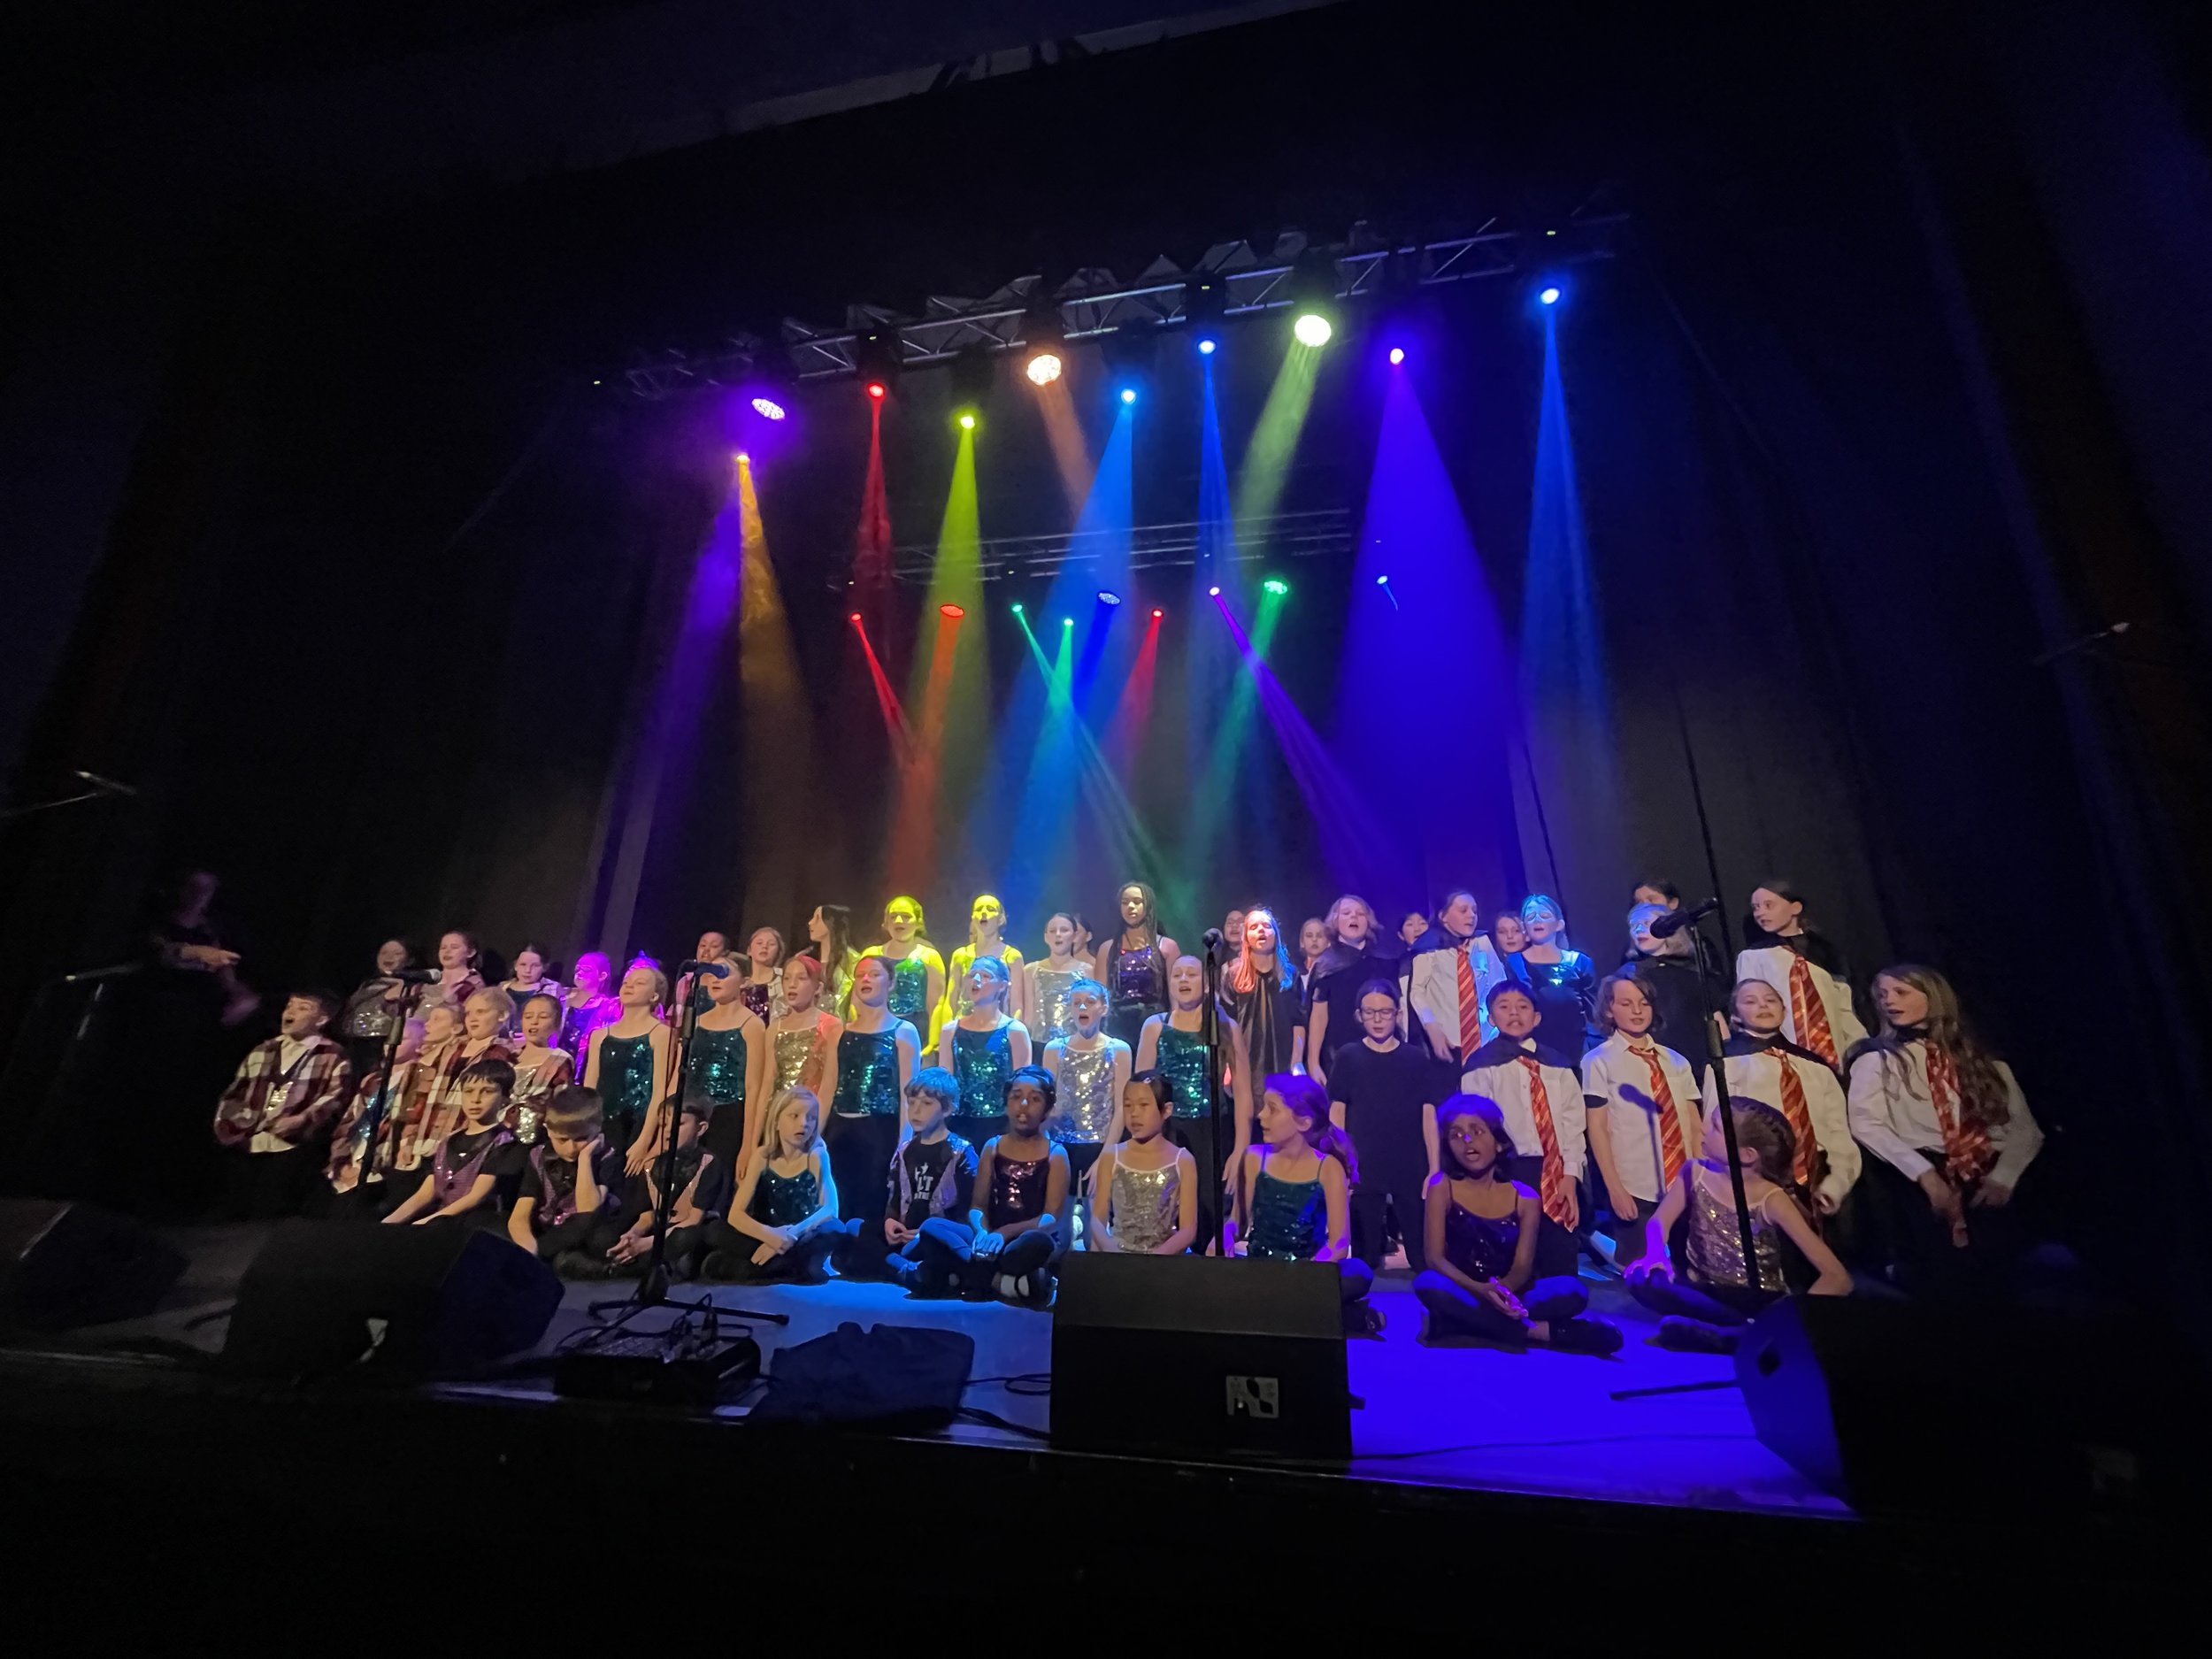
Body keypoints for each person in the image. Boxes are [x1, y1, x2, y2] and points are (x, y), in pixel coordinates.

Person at [1847, 964, 2041, 1296]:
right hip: (1922, 1173)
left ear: (1933, 997)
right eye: (1882, 995)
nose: (1888, 1001)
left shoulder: (1984, 1063)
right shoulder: (1877, 1062)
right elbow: (1866, 1122)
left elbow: (2025, 1129)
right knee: (1942, 1276)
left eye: (1900, 992)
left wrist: (2004, 1177)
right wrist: (1925, 1174)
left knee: (2001, 1276)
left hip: (1987, 1173)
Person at [1629, 1100, 1853, 1350]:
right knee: (1641, 1278)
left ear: (1747, 1155)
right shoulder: (1694, 1172)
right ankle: (1739, 1332)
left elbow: (1837, 1277)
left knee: (1768, 1313)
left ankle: (1731, 1333)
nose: (1703, 1129)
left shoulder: (1772, 1199)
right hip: (1703, 1288)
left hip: (1754, 1297)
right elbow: (1659, 1222)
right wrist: (1656, 1254)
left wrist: (1795, 1317)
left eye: (1715, 1127)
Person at [1413, 1097, 1623, 1353]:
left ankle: (1458, 1323)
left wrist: (1503, 1292)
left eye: (1477, 1131)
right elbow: (1435, 1259)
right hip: (1463, 1288)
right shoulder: (1441, 1187)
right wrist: (1482, 1290)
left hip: (1512, 1292)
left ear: (1499, 1142)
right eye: (1456, 1135)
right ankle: (1537, 1331)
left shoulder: (1525, 1197)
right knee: (1428, 1284)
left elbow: (1522, 1267)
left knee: (1573, 1290)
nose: (1467, 1140)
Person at [1459, 982, 1603, 1279]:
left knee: (1558, 1251)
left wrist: (1571, 1174)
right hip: (1508, 1169)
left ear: (1536, 1018)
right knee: (1513, 1251)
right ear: (1491, 1017)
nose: (1514, 1013)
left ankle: (1559, 1302)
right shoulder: (1481, 1067)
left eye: (1523, 1007)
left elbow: (1573, 1124)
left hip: (1555, 1170)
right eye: (1504, 1007)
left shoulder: (1558, 1065)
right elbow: (1477, 1126)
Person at [1225, 1075, 1378, 1335]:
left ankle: (1289, 1309)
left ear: (1304, 1122)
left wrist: (1305, 1274)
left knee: (1358, 1273)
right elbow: (1236, 1222)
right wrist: (1226, 1235)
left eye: (1272, 1109)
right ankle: (1342, 1317)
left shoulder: (1328, 1168)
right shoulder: (1253, 1158)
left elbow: (1339, 1243)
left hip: (1308, 1271)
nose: (1261, 1115)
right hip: (1259, 1269)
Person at [910, 1066, 1070, 1307]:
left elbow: (1050, 1217)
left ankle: (969, 1276)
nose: (1023, 1105)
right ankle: (1001, 1282)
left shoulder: (1055, 1153)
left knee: (1038, 1243)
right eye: (1016, 1096)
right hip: (987, 1238)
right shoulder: (992, 1146)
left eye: (1035, 1099)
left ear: (1047, 1108)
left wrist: (1004, 1234)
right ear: (1006, 1103)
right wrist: (983, 1233)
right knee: (932, 1227)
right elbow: (977, 1207)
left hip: (1021, 1240)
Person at [1704, 979, 1858, 1217]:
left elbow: (1838, 1133)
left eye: (1770, 1000)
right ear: (1735, 1016)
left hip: (1820, 1180)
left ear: (1785, 1010)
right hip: (1759, 1181)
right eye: (1750, 1001)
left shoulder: (1813, 1065)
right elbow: (1715, 1132)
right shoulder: (1726, 1065)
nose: (1763, 1006)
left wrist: (1836, 1184)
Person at [1582, 972, 1701, 1263]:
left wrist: (1701, 1178)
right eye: (1626, 1003)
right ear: (1609, 1009)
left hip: (1684, 1181)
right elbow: (1597, 1128)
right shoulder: (1599, 1061)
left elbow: (1694, 1125)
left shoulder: (1676, 1061)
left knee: (1689, 1265)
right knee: (1639, 1266)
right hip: (1635, 1184)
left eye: (1644, 1003)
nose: (1637, 1011)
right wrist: (1615, 1189)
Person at [1327, 978, 1440, 1271]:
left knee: (1421, 1254)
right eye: (1370, 1012)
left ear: (1398, 1014)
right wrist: (1340, 1161)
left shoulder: (1415, 1058)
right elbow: (1337, 1112)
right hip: (1363, 1163)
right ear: (1359, 1015)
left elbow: (1428, 1115)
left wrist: (1434, 1167)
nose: (1377, 1019)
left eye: (1385, 1012)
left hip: (1409, 1163)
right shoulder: (1348, 1056)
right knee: (1364, 1256)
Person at [826, 1066, 979, 1281]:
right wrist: (891, 1222)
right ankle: (905, 1268)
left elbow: (970, 1208)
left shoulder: (961, 1151)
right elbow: (895, 1198)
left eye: (926, 1104)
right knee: (854, 1226)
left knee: (932, 1230)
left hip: (938, 1233)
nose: (916, 1110)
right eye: (911, 1103)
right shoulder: (906, 1150)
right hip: (906, 1237)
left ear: (946, 1109)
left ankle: (893, 1266)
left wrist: (922, 1232)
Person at [211, 989, 351, 1219]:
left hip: (292, 1145)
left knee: (275, 1209)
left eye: (303, 1008)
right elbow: (236, 1093)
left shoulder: (331, 1054)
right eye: (289, 1006)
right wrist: (236, 1126)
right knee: (240, 1209)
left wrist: (303, 1118)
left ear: (322, 1019)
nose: (291, 1012)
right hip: (252, 1140)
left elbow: (335, 1097)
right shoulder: (263, 1050)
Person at [1135, 953, 1251, 1211]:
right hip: (1169, 1132)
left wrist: (1240, 1149)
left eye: (1191, 974)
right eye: (1177, 975)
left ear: (1207, 984)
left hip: (1212, 1134)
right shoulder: (1155, 1026)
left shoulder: (1225, 1027)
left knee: (1208, 1207)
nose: (1183, 979)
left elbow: (1243, 1093)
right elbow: (1141, 1092)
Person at [700, 1087, 840, 1281]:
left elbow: (831, 1209)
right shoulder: (763, 1156)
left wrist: (791, 1236)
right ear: (776, 1122)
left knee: (835, 1229)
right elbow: (736, 1214)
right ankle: (787, 1268)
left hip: (801, 1234)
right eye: (794, 1116)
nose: (803, 1123)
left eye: (811, 1118)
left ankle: (758, 1268)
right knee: (714, 1231)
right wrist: (771, 1237)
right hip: (766, 1232)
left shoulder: (816, 1155)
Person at [825, 956, 921, 1224]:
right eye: (860, 975)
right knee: (839, 1206)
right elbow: (828, 1088)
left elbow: (909, 1096)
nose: (865, 979)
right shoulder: (840, 1032)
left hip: (880, 1132)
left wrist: (904, 1147)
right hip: (839, 1130)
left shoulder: (903, 1031)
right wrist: (815, 1138)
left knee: (872, 1209)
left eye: (874, 974)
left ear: (891, 983)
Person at [1736, 880, 1866, 1068]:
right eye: (1756, 908)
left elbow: (1843, 1006)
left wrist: (1861, 1049)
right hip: (1785, 1055)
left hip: (1834, 1053)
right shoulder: (1754, 957)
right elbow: (1749, 1009)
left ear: (1795, 907)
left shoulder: (1825, 952)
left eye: (1768, 905)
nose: (1760, 913)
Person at [382, 1056, 524, 1228]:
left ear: (505, 1099)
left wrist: (425, 1223)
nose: (475, 1099)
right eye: (469, 1091)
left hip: (474, 1225)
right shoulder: (449, 1141)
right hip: (441, 1221)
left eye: (487, 1091)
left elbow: (476, 1197)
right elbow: (426, 1194)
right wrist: (388, 1223)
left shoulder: (504, 1142)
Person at [1041, 976, 1130, 1239]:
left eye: (1089, 1002)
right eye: (1076, 1002)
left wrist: (1105, 1156)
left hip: (1100, 1145)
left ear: (1104, 1008)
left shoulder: (1118, 1050)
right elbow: (1048, 1105)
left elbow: (1121, 1106)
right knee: (1059, 1228)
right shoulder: (1055, 1049)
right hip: (1062, 1147)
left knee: (1096, 1227)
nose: (1082, 1007)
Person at [508, 1086, 625, 1273]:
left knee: (599, 1235)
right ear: (548, 1130)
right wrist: (528, 1249)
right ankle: (551, 1259)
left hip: (587, 1231)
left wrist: (585, 1158)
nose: (571, 1149)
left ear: (598, 1129)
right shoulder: (538, 1156)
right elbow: (520, 1215)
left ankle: (550, 1260)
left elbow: (587, 1209)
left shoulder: (607, 1157)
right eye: (562, 1140)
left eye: (581, 1139)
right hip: (547, 1232)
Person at [581, 963, 675, 1173]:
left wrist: (645, 1140)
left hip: (638, 1124)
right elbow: (590, 1088)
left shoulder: (660, 1034)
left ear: (654, 996)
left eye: (639, 983)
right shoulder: (600, 1035)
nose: (629, 986)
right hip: (603, 1125)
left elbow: (659, 1090)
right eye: (626, 982)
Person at [1090, 1071, 1197, 1255]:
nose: (1134, 1114)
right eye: (1128, 1105)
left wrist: (1153, 1260)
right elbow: (1097, 1219)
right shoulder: (1112, 1156)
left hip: (1164, 1260)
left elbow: (1188, 1230)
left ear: (1166, 1110)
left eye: (1143, 1105)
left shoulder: (1182, 1161)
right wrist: (1112, 1252)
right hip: (1118, 1257)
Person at [409, 986, 515, 1167]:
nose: (472, 1018)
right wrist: (409, 1139)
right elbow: (422, 1095)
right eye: (468, 1013)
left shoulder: (503, 1053)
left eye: (480, 1012)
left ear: (502, 1015)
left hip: (460, 1146)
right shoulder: (450, 1049)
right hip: (423, 1143)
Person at [324, 1016, 424, 1210]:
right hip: (349, 1164)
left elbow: (405, 1126)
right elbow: (348, 1122)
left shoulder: (419, 1080)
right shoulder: (373, 1080)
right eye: (389, 1038)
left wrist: (370, 1166)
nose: (391, 1043)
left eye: (403, 1038)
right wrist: (341, 1162)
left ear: (420, 1045)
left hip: (379, 1171)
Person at [1303, 895, 1400, 1092]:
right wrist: (1313, 1062)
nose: (1353, 917)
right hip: (1339, 1053)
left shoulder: (1385, 960)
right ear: (1335, 921)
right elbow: (1318, 1016)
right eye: (1346, 913)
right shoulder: (1325, 964)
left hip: (1384, 1052)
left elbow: (1398, 1008)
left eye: (1360, 913)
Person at [687, 959, 772, 1178]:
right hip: (693, 1115)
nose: (716, 979)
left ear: (743, 982)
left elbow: (753, 1087)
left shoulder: (751, 1025)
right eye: (712, 974)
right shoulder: (695, 1021)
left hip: (729, 1117)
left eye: (724, 973)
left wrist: (748, 1145)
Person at [1624, 902, 1723, 1085]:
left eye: (1646, 923)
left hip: (1699, 1060)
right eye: (1633, 925)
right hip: (1655, 1063)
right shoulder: (1629, 976)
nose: (1638, 930)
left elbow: (1717, 1022)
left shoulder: (1694, 971)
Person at [1407, 889, 1506, 1071]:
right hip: (1449, 1042)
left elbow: (1499, 982)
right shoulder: (1429, 949)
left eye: (1474, 910)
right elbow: (1417, 991)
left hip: (1487, 1039)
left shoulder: (1482, 942)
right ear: (1443, 916)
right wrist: (1431, 1027)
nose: (1471, 915)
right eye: (1463, 910)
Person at [939, 954, 1031, 1147]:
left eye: (985, 975)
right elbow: (945, 1085)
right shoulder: (950, 1031)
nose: (977, 980)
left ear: (1002, 986)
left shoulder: (1015, 1030)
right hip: (960, 1125)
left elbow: (1023, 1086)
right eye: (972, 975)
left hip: (1001, 1127)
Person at [1506, 895, 1599, 1052]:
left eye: (1544, 915)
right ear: (1524, 927)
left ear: (1559, 924)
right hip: (1535, 1046)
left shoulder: (1580, 962)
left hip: (1577, 1045)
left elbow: (1593, 1011)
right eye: (1530, 917)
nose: (1537, 919)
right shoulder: (1516, 963)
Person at [1223, 906, 1303, 1079]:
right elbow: (1228, 1024)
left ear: (1276, 935)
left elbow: (1299, 1022)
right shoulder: (1234, 975)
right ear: (1246, 938)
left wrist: (1297, 1061)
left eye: (1266, 926)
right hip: (1246, 1065)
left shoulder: (1290, 975)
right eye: (1254, 927)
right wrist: (1230, 1064)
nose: (1261, 930)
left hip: (1283, 1064)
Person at [1100, 882, 1180, 1046]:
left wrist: (1176, 1027)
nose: (1130, 906)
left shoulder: (1167, 947)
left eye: (1137, 902)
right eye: (1125, 902)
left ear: (1148, 906)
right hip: (1116, 1029)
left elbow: (1176, 995)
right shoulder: (1108, 949)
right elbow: (1099, 995)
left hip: (1155, 1024)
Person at [859, 895, 945, 1039]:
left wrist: (934, 1042)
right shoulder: (871, 955)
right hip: (876, 1031)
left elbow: (936, 1004)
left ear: (918, 922)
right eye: (893, 917)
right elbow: (858, 1002)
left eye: (906, 916)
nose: (898, 921)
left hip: (916, 1033)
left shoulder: (929, 957)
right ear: (886, 923)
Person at [942, 893, 1028, 1030]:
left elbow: (1017, 1005)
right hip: (963, 1030)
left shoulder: (1012, 956)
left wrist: (1012, 1034)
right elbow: (950, 1002)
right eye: (979, 909)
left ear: (1000, 919)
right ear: (973, 918)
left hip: (998, 1029)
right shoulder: (960, 955)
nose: (983, 912)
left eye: (990, 909)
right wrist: (946, 1033)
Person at [766, 956, 842, 1107]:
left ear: (818, 988)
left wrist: (816, 1121)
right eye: (787, 978)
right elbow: (767, 1085)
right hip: (779, 1112)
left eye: (801, 978)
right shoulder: (774, 1029)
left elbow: (829, 1086)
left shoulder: (831, 1026)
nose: (792, 984)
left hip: (811, 1113)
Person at [339, 939, 416, 1080]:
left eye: (397, 953)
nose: (389, 957)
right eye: (384, 952)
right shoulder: (367, 985)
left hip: (381, 1044)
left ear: (410, 960)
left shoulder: (410, 986)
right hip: (354, 1043)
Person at [507, 991, 576, 1145]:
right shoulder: (509, 1057)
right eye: (528, 1017)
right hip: (502, 1134)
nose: (534, 1022)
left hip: (536, 1136)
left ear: (556, 1023)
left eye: (543, 1017)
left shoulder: (559, 1059)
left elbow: (561, 1104)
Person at [1024, 911, 1088, 1047]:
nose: (1058, 934)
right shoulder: (1031, 970)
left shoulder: (1086, 970)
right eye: (1053, 931)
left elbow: (1089, 1012)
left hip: (1074, 1045)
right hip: (1039, 1045)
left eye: (1064, 930)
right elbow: (1028, 1014)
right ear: (1046, 937)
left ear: (1074, 936)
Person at [803, 904, 860, 1017]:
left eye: (818, 918)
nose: (810, 923)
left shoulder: (851, 961)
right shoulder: (807, 958)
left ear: (830, 922)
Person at [498, 943, 565, 1038]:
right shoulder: (503, 988)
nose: (528, 970)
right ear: (515, 965)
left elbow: (560, 1022)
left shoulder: (553, 988)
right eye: (523, 964)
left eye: (535, 966)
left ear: (544, 967)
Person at [561, 951, 620, 1057]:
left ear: (602, 976)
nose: (579, 973)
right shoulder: (562, 998)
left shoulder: (607, 1006)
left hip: (586, 1060)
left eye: (586, 970)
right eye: (577, 969)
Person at [671, 930, 733, 1021]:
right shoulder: (686, 981)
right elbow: (678, 1014)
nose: (706, 949)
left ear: (725, 953)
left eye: (714, 946)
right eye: (703, 945)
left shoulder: (727, 982)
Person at [422, 929, 486, 1016]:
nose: (447, 951)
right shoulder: (428, 979)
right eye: (443, 948)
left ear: (471, 952)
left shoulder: (473, 983)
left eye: (454, 947)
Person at [737, 926, 787, 1023]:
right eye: (759, 943)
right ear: (749, 950)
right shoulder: (740, 984)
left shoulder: (785, 979)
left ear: (778, 952)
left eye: (771, 944)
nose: (765, 947)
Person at [1295, 917, 1330, 1001]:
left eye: (1319, 936)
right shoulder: (1294, 974)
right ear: (1302, 942)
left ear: (1328, 942)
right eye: (1309, 936)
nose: (1314, 939)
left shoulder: (1331, 974)